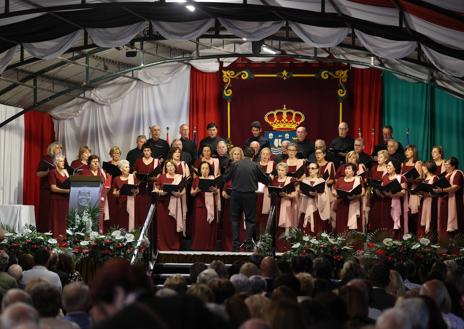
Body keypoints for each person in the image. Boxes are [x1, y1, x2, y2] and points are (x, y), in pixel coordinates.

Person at [223, 147, 271, 251]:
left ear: (243, 155)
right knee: (250, 220)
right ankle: (248, 244)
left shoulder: (235, 164)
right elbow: (266, 180)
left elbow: (225, 178)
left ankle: (236, 246)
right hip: (249, 195)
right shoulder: (255, 165)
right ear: (253, 156)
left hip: (235, 195)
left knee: (235, 220)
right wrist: (269, 178)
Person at [153, 160, 186, 251]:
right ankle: (162, 246)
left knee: (173, 226)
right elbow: (156, 190)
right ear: (165, 168)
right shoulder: (161, 177)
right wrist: (161, 193)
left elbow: (183, 190)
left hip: (176, 204)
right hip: (163, 205)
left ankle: (175, 245)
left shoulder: (180, 177)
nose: (170, 167)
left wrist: (179, 194)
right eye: (168, 166)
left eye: (172, 166)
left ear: (175, 167)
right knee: (163, 226)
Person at [190, 161, 220, 251]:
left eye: (207, 168)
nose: (205, 170)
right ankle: (198, 246)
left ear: (209, 170)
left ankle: (209, 246)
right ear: (200, 169)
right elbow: (191, 193)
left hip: (211, 206)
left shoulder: (213, 179)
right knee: (200, 227)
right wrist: (197, 190)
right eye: (203, 168)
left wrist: (214, 190)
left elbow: (217, 192)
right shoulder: (196, 179)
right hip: (200, 206)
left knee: (209, 227)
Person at [269, 162, 298, 252]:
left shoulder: (290, 180)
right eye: (278, 170)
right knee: (275, 226)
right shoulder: (274, 180)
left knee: (286, 227)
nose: (280, 172)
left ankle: (286, 247)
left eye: (282, 170)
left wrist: (286, 195)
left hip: (286, 205)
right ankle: (276, 247)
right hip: (275, 205)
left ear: (286, 171)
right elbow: (269, 193)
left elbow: (294, 194)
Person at [36, 142, 65, 232]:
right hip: (47, 190)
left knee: (58, 213)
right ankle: (44, 231)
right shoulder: (46, 159)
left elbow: (66, 172)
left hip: (60, 190)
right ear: (51, 149)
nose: (59, 149)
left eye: (61, 148)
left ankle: (58, 231)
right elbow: (38, 174)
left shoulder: (64, 160)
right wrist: (49, 171)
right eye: (57, 148)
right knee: (46, 211)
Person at [222, 147, 245, 251]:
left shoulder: (245, 167)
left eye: (238, 154)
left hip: (241, 199)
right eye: (234, 154)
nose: (236, 156)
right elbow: (225, 182)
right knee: (229, 223)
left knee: (239, 223)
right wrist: (223, 192)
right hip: (229, 199)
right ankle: (228, 246)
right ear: (232, 155)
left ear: (241, 156)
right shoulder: (229, 167)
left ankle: (240, 246)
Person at [80, 155, 111, 231]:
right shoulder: (84, 172)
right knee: (89, 217)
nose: (96, 164)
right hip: (89, 199)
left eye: (97, 162)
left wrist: (105, 190)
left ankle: (99, 233)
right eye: (94, 162)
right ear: (89, 163)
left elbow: (107, 185)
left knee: (100, 217)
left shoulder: (102, 172)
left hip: (101, 198)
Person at [133, 144, 161, 228]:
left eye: (148, 150)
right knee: (140, 210)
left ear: (151, 151)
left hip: (152, 189)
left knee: (150, 210)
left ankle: (150, 231)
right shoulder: (138, 161)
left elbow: (159, 176)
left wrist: (153, 178)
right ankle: (139, 230)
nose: (146, 152)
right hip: (140, 190)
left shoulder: (156, 161)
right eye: (145, 150)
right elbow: (134, 174)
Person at [298, 162, 331, 235]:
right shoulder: (304, 180)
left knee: (317, 229)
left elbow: (326, 197)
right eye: (309, 168)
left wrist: (317, 195)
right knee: (306, 230)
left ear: (317, 170)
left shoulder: (321, 181)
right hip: (306, 206)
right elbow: (301, 195)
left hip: (317, 209)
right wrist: (302, 193)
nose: (310, 170)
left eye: (312, 168)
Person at [435, 157, 463, 238]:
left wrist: (442, 190)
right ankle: (444, 246)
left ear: (453, 166)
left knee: (455, 224)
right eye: (445, 164)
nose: (445, 166)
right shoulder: (446, 175)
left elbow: (456, 187)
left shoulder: (458, 173)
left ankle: (455, 247)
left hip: (455, 202)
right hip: (445, 201)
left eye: (447, 164)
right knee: (443, 222)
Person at [332, 163, 364, 233]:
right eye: (346, 168)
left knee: (353, 225)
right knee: (342, 223)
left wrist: (355, 196)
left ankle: (353, 241)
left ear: (353, 171)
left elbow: (362, 192)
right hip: (342, 204)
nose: (346, 170)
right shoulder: (340, 179)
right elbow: (334, 190)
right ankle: (341, 241)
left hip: (354, 203)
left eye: (349, 169)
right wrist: (336, 194)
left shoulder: (357, 179)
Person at [379, 159, 407, 237]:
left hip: (396, 202)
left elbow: (403, 192)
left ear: (395, 167)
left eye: (389, 166)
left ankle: (396, 240)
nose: (387, 167)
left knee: (395, 223)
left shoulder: (401, 177)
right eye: (387, 166)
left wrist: (391, 195)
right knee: (385, 221)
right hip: (385, 203)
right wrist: (379, 191)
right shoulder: (385, 177)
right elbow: (381, 188)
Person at [401, 145, 423, 235]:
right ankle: (406, 234)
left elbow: (421, 178)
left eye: (409, 150)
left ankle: (414, 234)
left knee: (413, 214)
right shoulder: (403, 164)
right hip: (405, 191)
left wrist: (411, 180)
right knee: (406, 213)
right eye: (406, 150)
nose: (406, 152)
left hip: (413, 190)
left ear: (414, 152)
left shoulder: (418, 163)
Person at [112, 160, 139, 231]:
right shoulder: (116, 179)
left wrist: (135, 191)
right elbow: (114, 193)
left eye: (128, 167)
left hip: (132, 203)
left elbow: (137, 191)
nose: (128, 169)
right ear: (121, 169)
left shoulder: (133, 177)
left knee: (132, 221)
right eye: (126, 167)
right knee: (122, 223)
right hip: (121, 204)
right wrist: (118, 192)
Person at [48, 154, 70, 237]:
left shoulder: (65, 172)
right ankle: (56, 240)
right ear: (56, 162)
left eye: (63, 161)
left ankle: (64, 240)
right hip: (56, 200)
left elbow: (69, 183)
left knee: (64, 221)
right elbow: (53, 188)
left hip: (65, 200)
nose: (63, 163)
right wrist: (66, 191)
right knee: (56, 221)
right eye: (61, 161)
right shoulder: (52, 172)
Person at [368, 150, 389, 232]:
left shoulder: (388, 168)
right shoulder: (373, 168)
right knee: (375, 215)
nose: (378, 158)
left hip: (385, 195)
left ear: (386, 159)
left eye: (381, 157)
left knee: (384, 215)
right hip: (375, 196)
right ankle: (375, 234)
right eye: (378, 156)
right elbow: (371, 180)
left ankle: (385, 234)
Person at [256, 147, 275, 236]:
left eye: (267, 154)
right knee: (257, 214)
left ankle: (266, 237)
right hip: (257, 192)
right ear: (260, 155)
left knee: (266, 215)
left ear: (270, 156)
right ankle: (257, 236)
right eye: (263, 154)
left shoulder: (273, 165)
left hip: (268, 192)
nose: (265, 156)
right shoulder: (256, 165)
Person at [417, 161, 439, 236]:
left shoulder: (435, 178)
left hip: (432, 203)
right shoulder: (425, 179)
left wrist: (427, 194)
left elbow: (436, 193)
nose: (423, 168)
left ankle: (431, 238)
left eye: (424, 166)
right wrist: (419, 193)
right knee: (422, 221)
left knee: (431, 221)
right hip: (424, 201)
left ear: (429, 167)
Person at [104, 146, 122, 231]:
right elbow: (104, 177)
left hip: (121, 187)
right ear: (111, 154)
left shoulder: (123, 164)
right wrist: (107, 176)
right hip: (111, 188)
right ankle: (111, 229)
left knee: (120, 209)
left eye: (118, 153)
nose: (116, 155)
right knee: (112, 209)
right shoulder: (108, 164)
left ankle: (120, 228)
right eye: (114, 153)